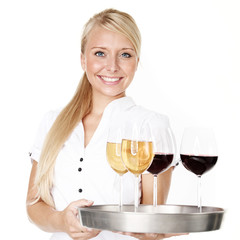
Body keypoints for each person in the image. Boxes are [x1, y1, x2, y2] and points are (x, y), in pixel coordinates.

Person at [26, 8, 182, 240]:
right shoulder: (53, 122)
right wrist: (62, 221)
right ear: (83, 59)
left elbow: (152, 223)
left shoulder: (152, 125)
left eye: (125, 55)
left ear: (137, 62)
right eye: (100, 53)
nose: (112, 66)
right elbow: (34, 205)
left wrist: (153, 230)